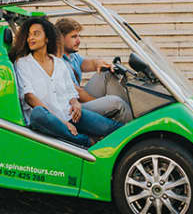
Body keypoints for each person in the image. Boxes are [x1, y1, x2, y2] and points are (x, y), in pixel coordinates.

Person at [13, 17, 122, 148]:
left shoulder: (59, 63)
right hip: (48, 120)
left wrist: (76, 104)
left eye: (36, 34)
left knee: (111, 127)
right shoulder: (23, 64)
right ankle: (86, 142)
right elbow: (29, 97)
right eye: (29, 35)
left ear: (47, 38)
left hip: (68, 113)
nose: (31, 38)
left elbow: (71, 93)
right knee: (38, 114)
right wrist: (63, 122)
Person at [55, 18, 133, 123]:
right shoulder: (56, 61)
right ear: (60, 39)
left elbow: (90, 63)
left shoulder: (72, 56)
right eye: (73, 37)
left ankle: (133, 112)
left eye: (79, 36)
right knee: (116, 103)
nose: (78, 41)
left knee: (106, 74)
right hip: (72, 107)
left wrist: (100, 63)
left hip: (80, 100)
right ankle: (135, 127)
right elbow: (78, 92)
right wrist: (101, 103)